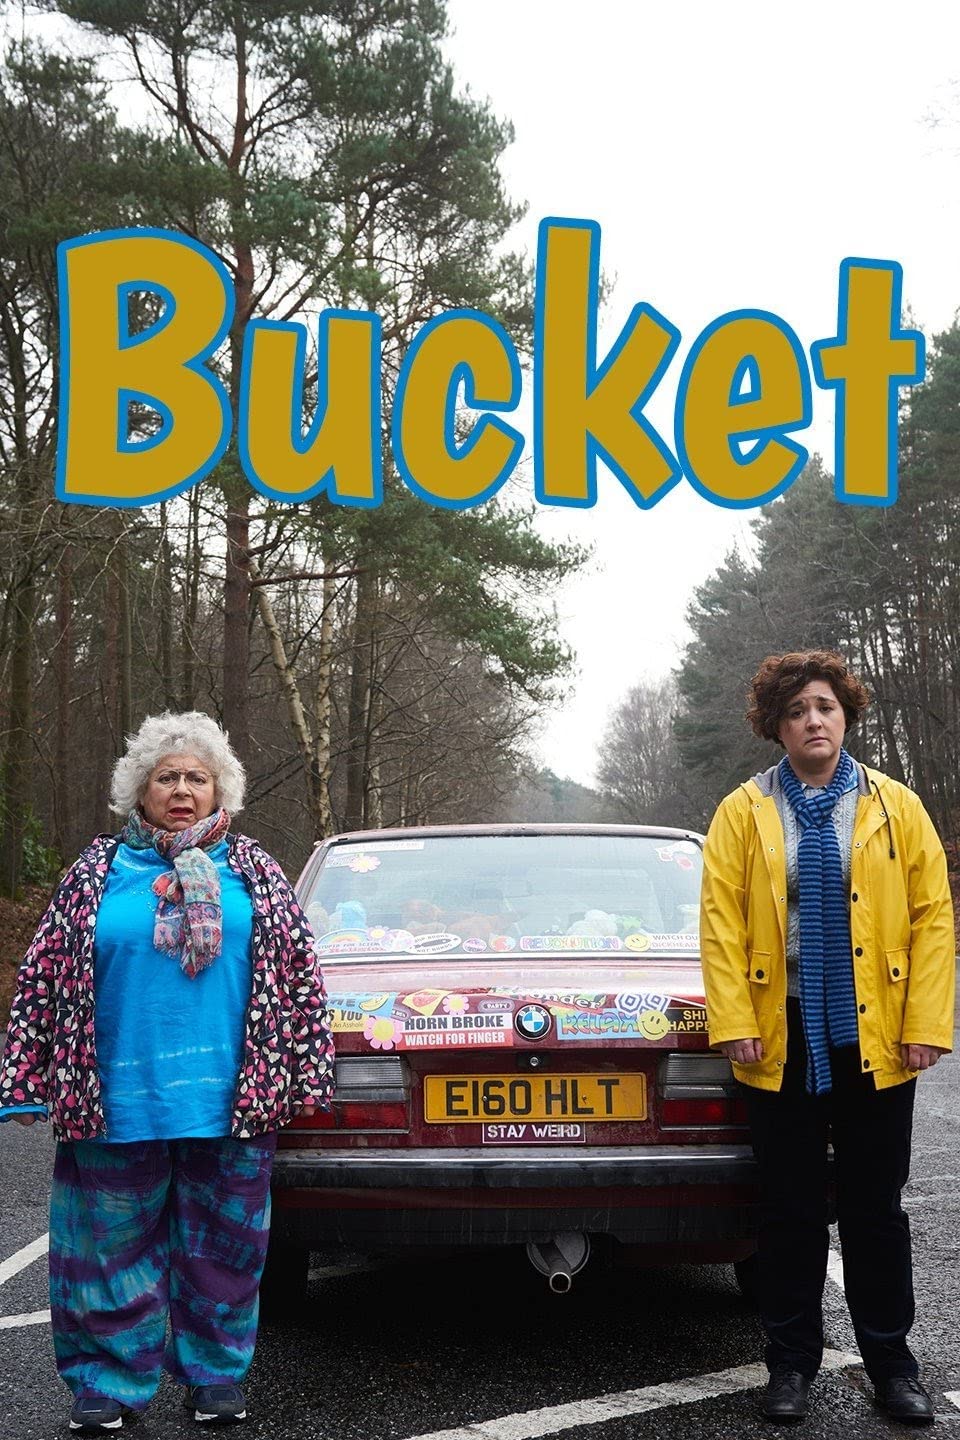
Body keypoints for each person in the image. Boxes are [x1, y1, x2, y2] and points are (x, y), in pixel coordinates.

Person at [0, 712, 334, 1433]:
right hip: (113, 1099)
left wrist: (308, 1073)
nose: (182, 790)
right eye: (167, 777)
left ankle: (215, 1376)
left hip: (234, 1100)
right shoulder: (96, 873)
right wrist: (24, 1076)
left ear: (220, 791)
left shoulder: (255, 872)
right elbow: (43, 974)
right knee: (106, 1252)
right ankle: (105, 1382)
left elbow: (299, 975)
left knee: (225, 1251)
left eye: (196, 778)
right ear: (140, 791)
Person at [700, 651, 954, 1426]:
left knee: (876, 1208)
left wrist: (925, 1025)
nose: (813, 720)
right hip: (780, 1037)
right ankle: (789, 1365)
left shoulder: (895, 806)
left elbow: (932, 919)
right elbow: (720, 924)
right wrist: (735, 1022)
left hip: (877, 1039)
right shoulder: (743, 812)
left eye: (825, 707)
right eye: (796, 710)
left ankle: (893, 1365)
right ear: (776, 727)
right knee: (789, 1210)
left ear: (845, 716)